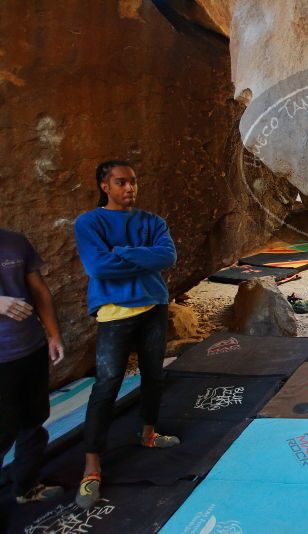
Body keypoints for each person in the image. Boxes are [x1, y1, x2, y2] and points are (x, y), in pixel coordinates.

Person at [73, 160, 179, 509]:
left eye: (133, 181)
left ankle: (148, 433)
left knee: (153, 375)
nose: (130, 187)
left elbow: (167, 256)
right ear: (105, 186)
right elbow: (97, 266)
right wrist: (143, 257)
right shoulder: (89, 223)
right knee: (107, 385)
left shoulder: (152, 221)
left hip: (153, 307)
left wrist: (121, 252)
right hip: (114, 313)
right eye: (121, 182)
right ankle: (91, 467)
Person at [0, 228, 65, 504]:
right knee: (2, 431)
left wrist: (53, 334)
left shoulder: (15, 241)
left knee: (33, 421)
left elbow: (38, 290)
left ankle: (26, 487)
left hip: (30, 347)